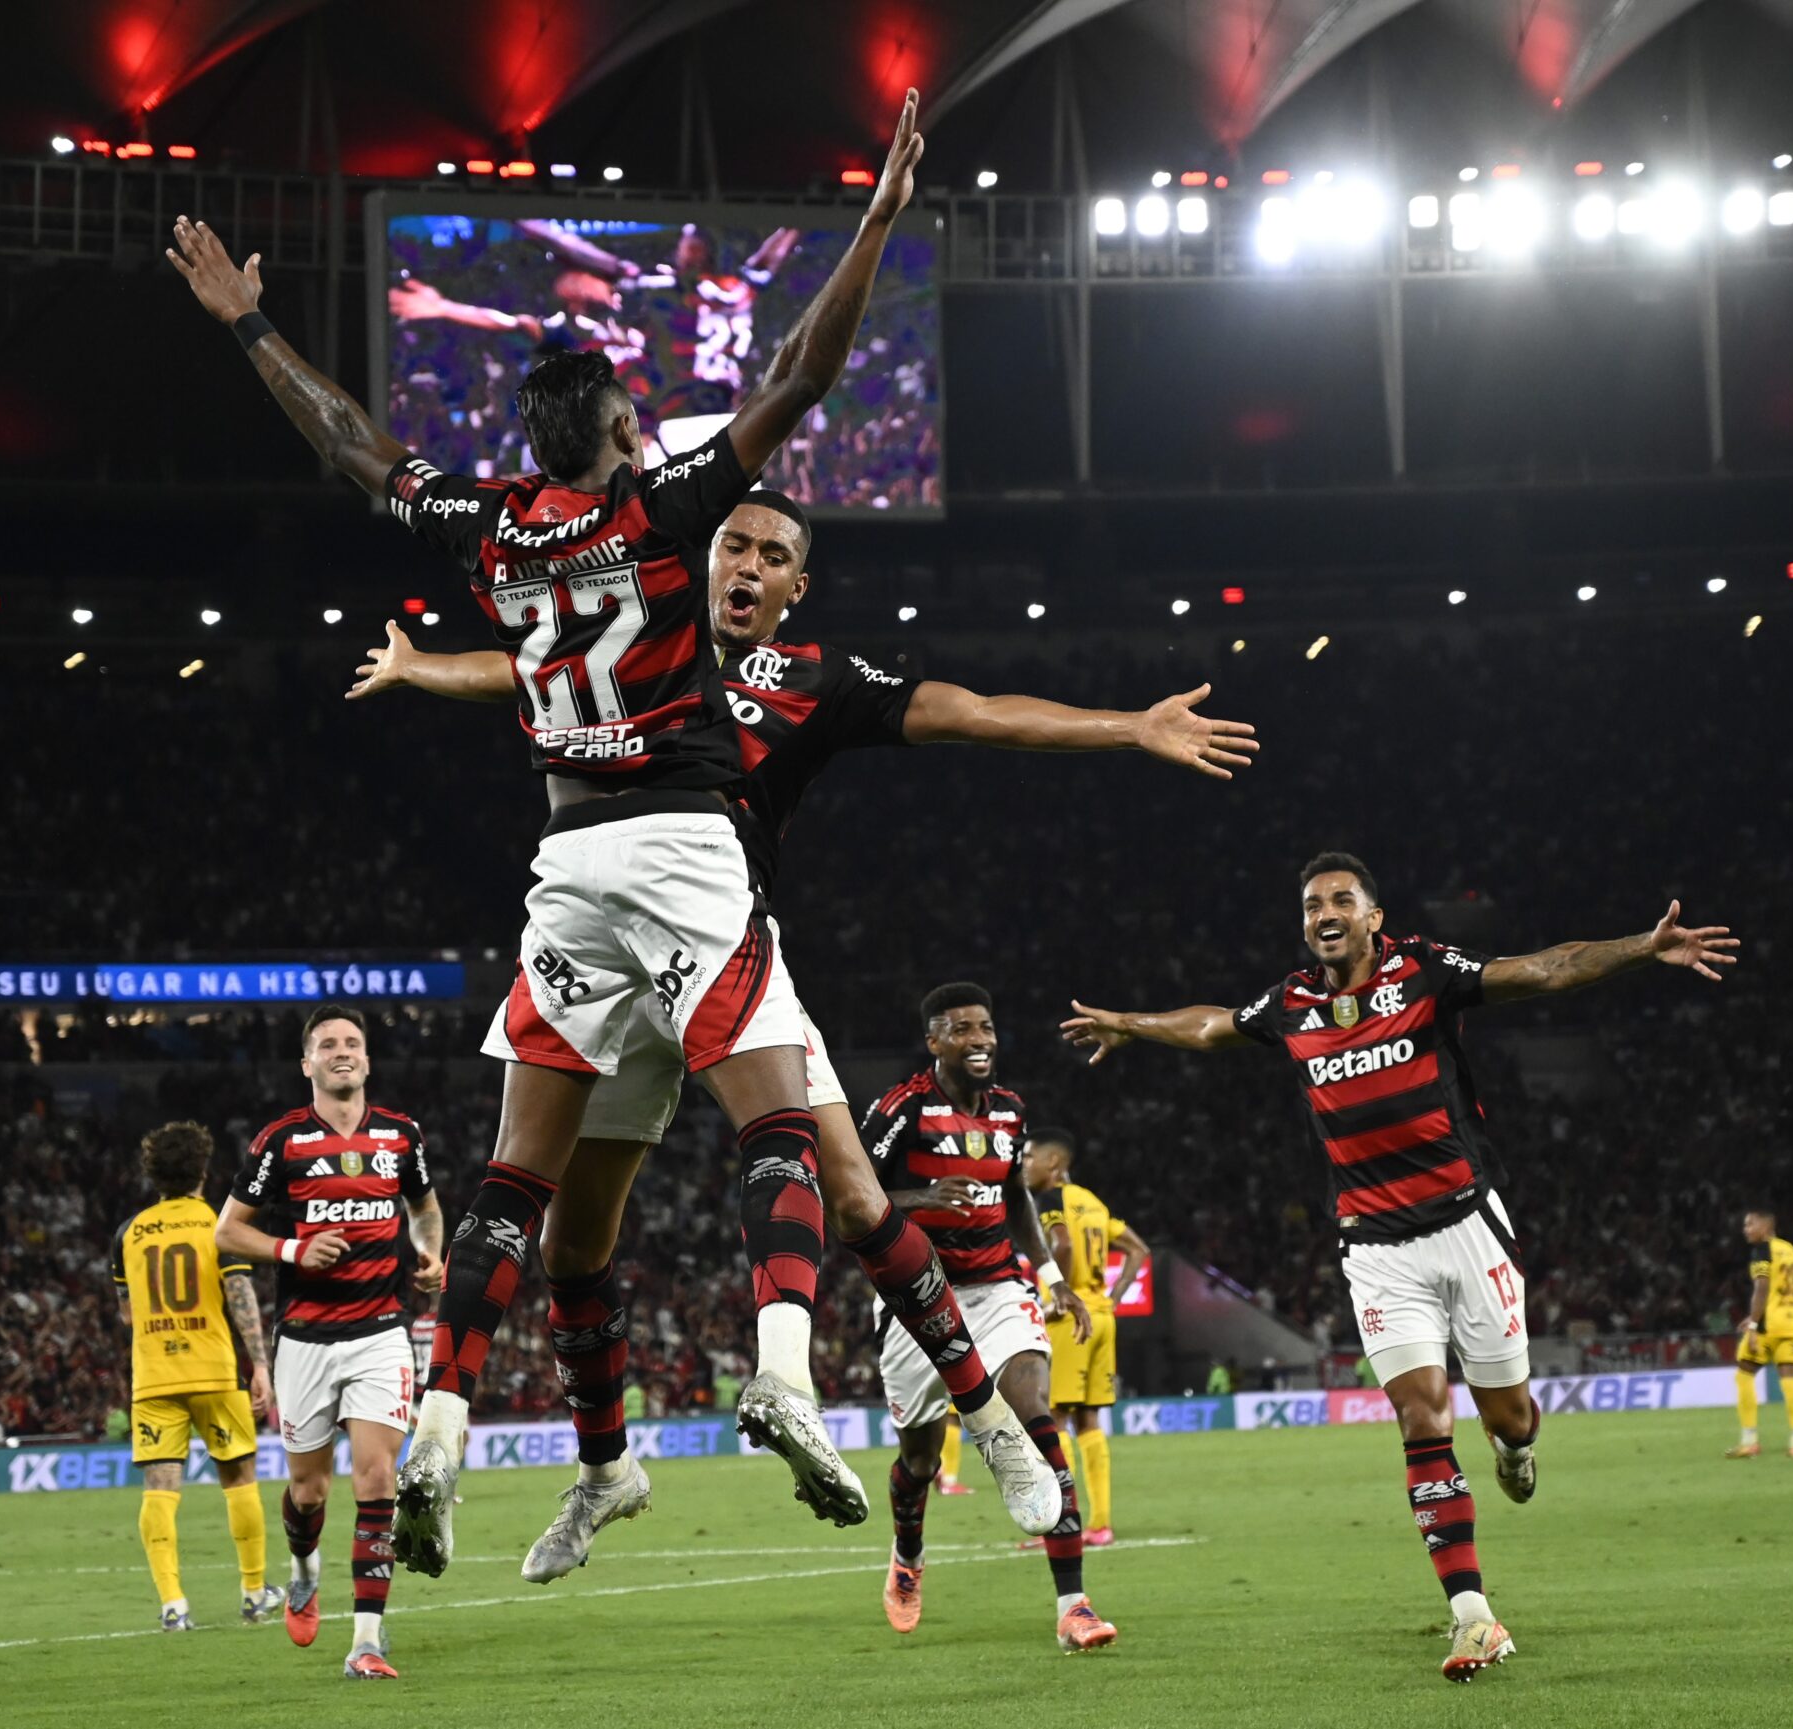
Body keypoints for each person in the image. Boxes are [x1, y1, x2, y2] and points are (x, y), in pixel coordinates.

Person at [170, 92, 931, 1577]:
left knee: (528, 1175)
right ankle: (781, 1370)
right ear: (621, 436)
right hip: (678, 843)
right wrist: (882, 219)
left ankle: (469, 1426)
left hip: (560, 862)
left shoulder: (488, 523)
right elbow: (801, 369)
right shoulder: (661, 513)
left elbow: (350, 446)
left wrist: (250, 330)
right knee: (777, 1117)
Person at [347, 486, 1255, 1578]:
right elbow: (512, 670)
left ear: (792, 587)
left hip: (721, 941)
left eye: (771, 554)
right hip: (606, 941)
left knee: (860, 1196)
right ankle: (603, 1472)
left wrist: (1129, 727)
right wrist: (417, 668)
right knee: (568, 1246)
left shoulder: (815, 680)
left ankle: (1001, 1435)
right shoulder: (644, 634)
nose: (746, 563)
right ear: (708, 554)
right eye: (734, 542)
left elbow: (967, 709)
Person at [1062, 852, 1739, 1683]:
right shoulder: (1292, 1002)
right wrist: (1131, 1022)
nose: (1324, 912)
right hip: (1375, 1247)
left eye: (1341, 899)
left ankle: (1516, 1449)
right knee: (1422, 1418)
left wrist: (1643, 946)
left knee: (1510, 1419)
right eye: (1312, 904)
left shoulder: (1423, 970)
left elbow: (1543, 971)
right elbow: (1210, 1026)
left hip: (1466, 1224)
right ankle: (1474, 1616)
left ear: (1374, 916)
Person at [864, 984, 1117, 1653]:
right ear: (935, 1041)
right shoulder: (903, 1106)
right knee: (918, 1458)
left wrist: (1053, 1278)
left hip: (996, 1287)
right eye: (962, 1029)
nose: (980, 1039)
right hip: (913, 1295)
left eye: (987, 1028)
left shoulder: (1010, 1111)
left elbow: (1013, 1196)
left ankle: (1074, 1605)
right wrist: (922, 1195)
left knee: (1038, 1412)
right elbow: (847, 1195)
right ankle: (909, 1554)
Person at [215, 1006, 443, 1680]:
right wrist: (293, 1247)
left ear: (367, 1060)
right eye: (327, 1044)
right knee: (308, 1489)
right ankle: (303, 1566)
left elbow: (423, 1205)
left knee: (377, 1477)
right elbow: (228, 1231)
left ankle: (365, 1641)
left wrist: (429, 1250)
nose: (342, 1052)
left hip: (381, 1331)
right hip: (306, 1338)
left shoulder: (401, 1135)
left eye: (352, 1043)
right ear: (307, 1062)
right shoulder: (281, 1141)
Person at [111, 1121, 284, 1634]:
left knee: (160, 1488)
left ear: (152, 1175)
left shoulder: (129, 1232)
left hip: (155, 1375)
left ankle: (173, 1605)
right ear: (203, 1173)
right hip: (213, 1370)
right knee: (238, 1477)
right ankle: (254, 1593)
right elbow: (239, 1296)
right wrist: (261, 1365)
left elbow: (125, 1313)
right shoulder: (217, 1224)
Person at [1024, 1130, 1152, 1547]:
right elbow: (1137, 1248)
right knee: (1090, 1420)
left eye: (1032, 1160)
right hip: (1100, 1317)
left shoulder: (1050, 1200)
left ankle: (1063, 1522)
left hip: (1069, 1319)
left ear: (1055, 1164)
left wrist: (1060, 1295)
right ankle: (1101, 1523)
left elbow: (1060, 1243)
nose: (1025, 1167)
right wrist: (1111, 1299)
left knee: (1056, 1417)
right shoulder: (1093, 1201)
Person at [1728, 1208, 1793, 1459]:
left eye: (1750, 1224)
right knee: (1789, 1380)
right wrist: (1753, 1315)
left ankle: (1750, 1440)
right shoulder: (1791, 1250)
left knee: (1744, 1374)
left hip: (1768, 1325)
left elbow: (1762, 1287)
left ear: (1765, 1227)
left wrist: (1753, 1325)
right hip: (1792, 1322)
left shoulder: (1762, 1250)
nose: (1746, 1230)